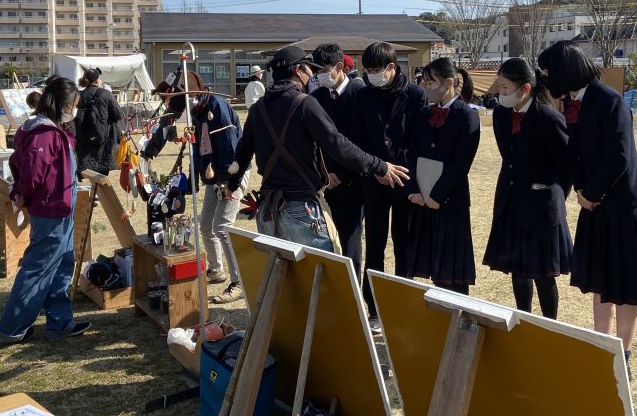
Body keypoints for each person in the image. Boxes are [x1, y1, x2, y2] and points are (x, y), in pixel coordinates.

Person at [537, 41, 637, 378]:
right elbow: (575, 154)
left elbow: (619, 157)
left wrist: (591, 192)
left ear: (564, 70)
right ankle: (602, 344)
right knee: (601, 279)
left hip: (625, 206)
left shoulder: (610, 101)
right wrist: (582, 191)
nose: (545, 78)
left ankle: (622, 354)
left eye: (547, 72)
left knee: (626, 283)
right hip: (595, 204)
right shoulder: (572, 101)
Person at [227, 45, 408, 256]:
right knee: (325, 279)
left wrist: (232, 184)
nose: (313, 76)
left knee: (285, 283)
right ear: (298, 71)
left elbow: (242, 152)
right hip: (300, 208)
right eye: (310, 70)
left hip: (268, 210)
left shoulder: (258, 109)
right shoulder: (305, 103)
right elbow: (337, 144)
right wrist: (379, 166)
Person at [0, 76, 91, 344]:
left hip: (62, 209)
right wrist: (21, 195)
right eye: (74, 104)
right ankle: (10, 328)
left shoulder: (55, 130)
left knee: (61, 265)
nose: (75, 109)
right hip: (50, 211)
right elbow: (32, 175)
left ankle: (60, 322)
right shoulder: (43, 133)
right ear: (62, 103)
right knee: (37, 270)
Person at [143, 71, 251, 305]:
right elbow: (170, 123)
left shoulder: (216, 107)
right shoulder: (196, 111)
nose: (182, 112)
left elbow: (231, 147)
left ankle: (239, 282)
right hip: (214, 175)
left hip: (232, 172)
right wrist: (150, 150)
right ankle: (216, 269)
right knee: (205, 226)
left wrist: (226, 181)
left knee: (222, 226)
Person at [483, 58, 572, 319]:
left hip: (541, 206)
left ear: (525, 89)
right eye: (499, 86)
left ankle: (549, 326)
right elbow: (507, 155)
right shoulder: (501, 114)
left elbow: (566, 166)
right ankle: (523, 319)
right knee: (518, 270)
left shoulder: (548, 117)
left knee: (543, 274)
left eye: (506, 87)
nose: (501, 93)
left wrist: (554, 195)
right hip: (511, 199)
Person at [351, 42, 426, 329]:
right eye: (367, 70)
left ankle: (402, 301)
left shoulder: (416, 95)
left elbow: (419, 140)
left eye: (375, 70)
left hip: (406, 179)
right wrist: (378, 169)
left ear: (392, 68)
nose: (371, 74)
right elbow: (356, 138)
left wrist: (397, 168)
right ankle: (373, 306)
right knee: (375, 244)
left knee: (404, 244)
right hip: (374, 178)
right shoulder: (364, 96)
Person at [405, 58, 480, 295]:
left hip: (449, 200)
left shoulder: (467, 115)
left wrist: (438, 194)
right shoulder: (424, 113)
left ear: (448, 83)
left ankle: (458, 316)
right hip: (422, 198)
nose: (425, 87)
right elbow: (412, 151)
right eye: (424, 82)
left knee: (453, 268)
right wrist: (413, 190)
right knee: (432, 262)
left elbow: (461, 162)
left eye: (430, 82)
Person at [311, 43, 366, 276]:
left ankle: (353, 298)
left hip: (353, 180)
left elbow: (361, 142)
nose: (319, 75)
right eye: (315, 71)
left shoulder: (359, 94)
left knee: (350, 240)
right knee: (323, 241)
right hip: (324, 183)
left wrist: (341, 174)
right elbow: (313, 141)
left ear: (340, 66)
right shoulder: (316, 98)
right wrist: (324, 174)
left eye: (323, 69)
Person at [74, 67, 124, 177]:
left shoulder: (78, 95)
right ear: (97, 80)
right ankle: (96, 194)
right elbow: (118, 115)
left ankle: (95, 193)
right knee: (101, 176)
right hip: (104, 143)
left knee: (93, 177)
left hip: (85, 142)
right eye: (100, 78)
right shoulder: (106, 94)